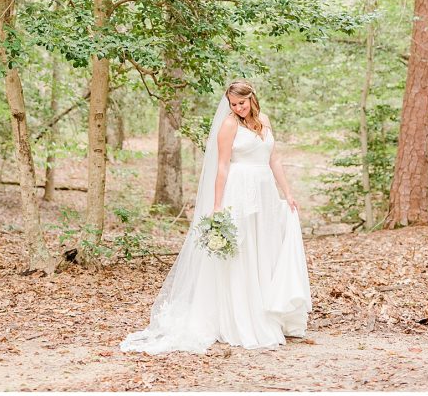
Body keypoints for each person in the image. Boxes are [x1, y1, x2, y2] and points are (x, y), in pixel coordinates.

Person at [121, 80, 311, 354]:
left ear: (251, 98)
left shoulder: (265, 121)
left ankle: (268, 311)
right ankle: (240, 316)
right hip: (239, 191)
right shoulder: (229, 125)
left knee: (264, 249)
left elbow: (275, 159)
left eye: (241, 103)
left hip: (266, 191)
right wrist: (218, 204)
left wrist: (288, 192)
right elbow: (222, 166)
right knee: (243, 253)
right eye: (233, 104)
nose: (238, 108)